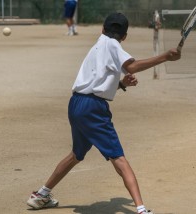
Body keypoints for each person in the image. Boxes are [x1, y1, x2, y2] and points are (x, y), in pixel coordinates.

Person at [27, 12, 181, 214]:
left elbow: (97, 83)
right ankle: (142, 210)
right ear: (124, 36)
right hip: (93, 109)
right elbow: (131, 66)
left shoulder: (100, 43)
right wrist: (165, 57)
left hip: (76, 103)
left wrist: (121, 84)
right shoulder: (113, 45)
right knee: (118, 158)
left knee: (76, 154)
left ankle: (41, 194)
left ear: (102, 29)